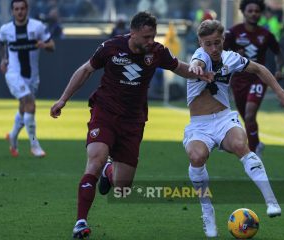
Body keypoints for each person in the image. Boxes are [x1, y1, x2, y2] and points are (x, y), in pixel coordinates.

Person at [49, 12, 213, 239]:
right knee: (94, 160)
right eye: (146, 36)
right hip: (105, 112)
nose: (150, 41)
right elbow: (86, 70)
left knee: (122, 188)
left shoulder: (157, 52)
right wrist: (63, 99)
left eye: (153, 36)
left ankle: (110, 170)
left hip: (133, 122)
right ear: (132, 32)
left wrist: (200, 74)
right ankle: (80, 221)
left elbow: (178, 67)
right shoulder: (111, 47)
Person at [184, 19, 284, 238]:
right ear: (200, 42)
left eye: (217, 43)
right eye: (208, 44)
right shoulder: (199, 57)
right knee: (197, 156)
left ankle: (271, 201)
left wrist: (282, 94)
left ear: (223, 40)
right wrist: (195, 68)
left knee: (240, 144)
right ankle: (207, 211)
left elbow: (260, 69)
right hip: (199, 125)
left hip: (224, 119)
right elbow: (197, 63)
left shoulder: (231, 58)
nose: (214, 49)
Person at [224, 0, 283, 158]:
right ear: (243, 12)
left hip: (258, 78)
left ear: (260, 13)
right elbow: (220, 52)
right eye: (250, 11)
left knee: (250, 114)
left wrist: (279, 69)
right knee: (246, 117)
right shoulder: (233, 33)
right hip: (238, 79)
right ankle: (257, 144)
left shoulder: (266, 34)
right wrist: (234, 56)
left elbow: (278, 52)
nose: (253, 14)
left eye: (257, 11)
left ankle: (253, 150)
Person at [0, 0, 55, 158]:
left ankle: (13, 136)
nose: (20, 12)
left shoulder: (37, 27)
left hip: (32, 77)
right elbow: (1, 43)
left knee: (24, 107)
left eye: (22, 8)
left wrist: (45, 45)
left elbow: (52, 45)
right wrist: (3, 59)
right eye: (16, 9)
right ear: (12, 11)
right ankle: (34, 145)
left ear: (27, 9)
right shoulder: (6, 29)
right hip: (13, 73)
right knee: (30, 103)